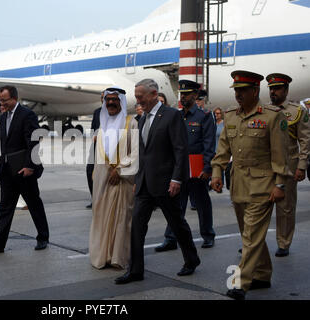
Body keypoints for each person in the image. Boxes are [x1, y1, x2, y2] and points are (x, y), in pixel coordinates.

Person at [211, 70, 289, 300]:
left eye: (243, 90)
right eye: (236, 90)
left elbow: (280, 155)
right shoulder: (231, 116)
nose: (238, 95)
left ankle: (240, 283)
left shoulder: (272, 117)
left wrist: (280, 184)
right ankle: (263, 275)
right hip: (238, 185)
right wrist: (217, 172)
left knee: (251, 235)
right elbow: (223, 148)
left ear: (255, 91)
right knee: (251, 233)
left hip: (263, 185)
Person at [115, 79, 200, 285]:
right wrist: (137, 179)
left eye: (140, 95)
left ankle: (191, 259)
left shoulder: (172, 116)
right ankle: (136, 271)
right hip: (144, 184)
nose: (138, 100)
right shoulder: (143, 119)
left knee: (176, 223)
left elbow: (180, 149)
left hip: (165, 183)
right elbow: (143, 154)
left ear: (153, 94)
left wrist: (177, 179)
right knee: (136, 225)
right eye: (136, 96)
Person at [0, 85, 49, 254]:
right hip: (7, 170)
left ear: (15, 98)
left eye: (5, 100)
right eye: (0, 100)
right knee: (5, 209)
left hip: (24, 170)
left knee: (34, 204)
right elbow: (5, 145)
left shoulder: (27, 115)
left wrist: (30, 166)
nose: (2, 103)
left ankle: (43, 237)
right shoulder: (3, 117)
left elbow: (34, 142)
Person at [155, 80, 216, 252]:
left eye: (187, 94)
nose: (183, 97)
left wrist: (207, 168)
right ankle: (171, 238)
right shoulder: (177, 115)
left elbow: (209, 143)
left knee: (202, 204)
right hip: (179, 167)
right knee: (175, 205)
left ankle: (208, 235)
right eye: (181, 94)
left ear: (195, 96)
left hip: (197, 168)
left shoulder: (204, 116)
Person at [89, 87, 138, 269]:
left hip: (122, 181)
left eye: (114, 100)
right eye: (107, 100)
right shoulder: (102, 125)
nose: (110, 103)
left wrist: (120, 171)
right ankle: (103, 255)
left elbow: (135, 153)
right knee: (101, 216)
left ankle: (118, 257)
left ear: (121, 102)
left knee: (121, 218)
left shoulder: (131, 123)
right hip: (102, 181)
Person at [266, 73, 310, 257]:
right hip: (266, 165)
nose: (273, 92)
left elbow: (305, 140)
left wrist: (302, 166)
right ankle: (254, 240)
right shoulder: (264, 110)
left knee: (285, 206)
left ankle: (283, 242)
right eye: (271, 89)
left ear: (286, 90)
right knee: (259, 204)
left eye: (276, 88)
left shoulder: (298, 111)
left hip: (289, 165)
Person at [85, 91, 104, 209]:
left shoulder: (117, 112)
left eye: (105, 97)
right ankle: (94, 198)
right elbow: (93, 128)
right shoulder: (97, 112)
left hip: (108, 147)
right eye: (102, 98)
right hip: (96, 145)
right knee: (89, 171)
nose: (103, 100)